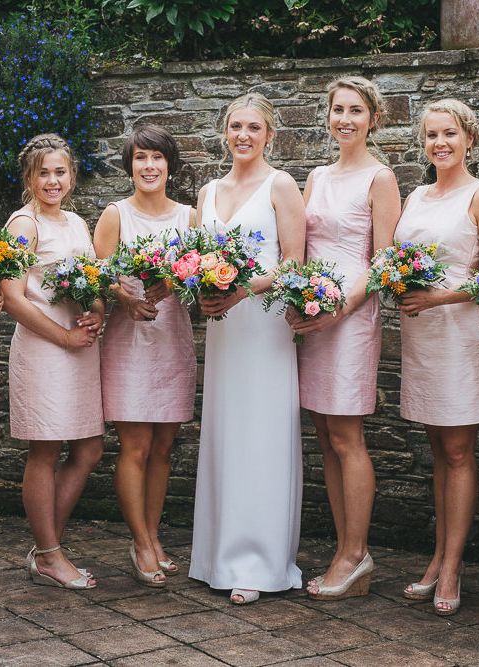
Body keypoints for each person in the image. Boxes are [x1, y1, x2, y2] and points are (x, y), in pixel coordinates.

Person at [188, 93, 306, 605]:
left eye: (254, 128)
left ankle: (260, 560)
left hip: (263, 324)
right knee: (226, 431)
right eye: (236, 126)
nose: (243, 135)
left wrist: (240, 289)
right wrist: (203, 290)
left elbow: (295, 263)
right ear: (224, 131)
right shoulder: (207, 191)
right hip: (223, 328)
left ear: (269, 135)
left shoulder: (280, 184)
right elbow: (190, 260)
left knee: (263, 434)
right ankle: (216, 555)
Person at [287, 77, 401, 600]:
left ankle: (356, 553)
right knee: (324, 434)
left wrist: (340, 308)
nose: (345, 119)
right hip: (315, 315)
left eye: (356, 111)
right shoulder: (315, 176)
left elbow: (384, 262)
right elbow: (302, 248)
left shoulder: (381, 178)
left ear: (373, 119)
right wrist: (299, 296)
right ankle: (342, 547)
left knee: (347, 435)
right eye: (338, 110)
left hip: (351, 317)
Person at [396, 99, 479, 615]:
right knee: (437, 450)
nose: (439, 144)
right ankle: (438, 556)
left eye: (449, 134)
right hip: (421, 337)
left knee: (460, 451)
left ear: (469, 138)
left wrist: (438, 296)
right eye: (431, 136)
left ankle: (453, 566)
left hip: (460, 337)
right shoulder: (416, 194)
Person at [94, 125, 197, 587]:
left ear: (169, 164)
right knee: (134, 446)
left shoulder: (189, 218)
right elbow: (97, 275)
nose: (149, 166)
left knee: (162, 448)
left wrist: (176, 281)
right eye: (140, 158)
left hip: (173, 339)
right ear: (130, 165)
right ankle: (139, 541)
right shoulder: (116, 214)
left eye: (156, 158)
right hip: (129, 341)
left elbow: (199, 275)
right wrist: (124, 297)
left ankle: (154, 535)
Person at [1, 134, 104, 589]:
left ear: (71, 175)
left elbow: (94, 283)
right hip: (45, 349)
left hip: (80, 350)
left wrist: (96, 311)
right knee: (45, 449)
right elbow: (12, 297)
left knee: (89, 448)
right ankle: (49, 553)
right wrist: (63, 334)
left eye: (60, 171)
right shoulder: (24, 225)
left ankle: (47, 547)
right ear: (29, 177)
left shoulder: (79, 223)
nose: (52, 180)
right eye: (43, 172)